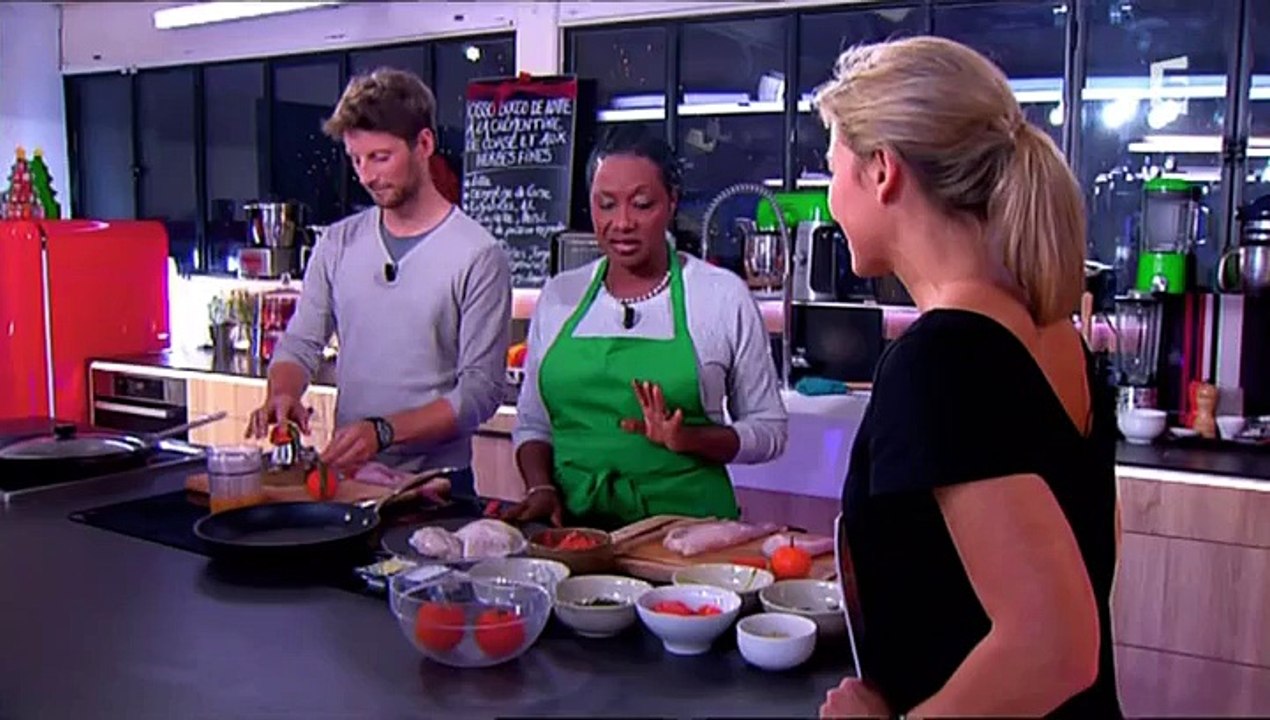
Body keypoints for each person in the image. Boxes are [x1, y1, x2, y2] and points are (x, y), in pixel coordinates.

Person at [815, 37, 1121, 718]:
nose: (831, 197)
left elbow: (1056, 648)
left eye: (833, 168)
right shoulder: (1056, 338)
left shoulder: (940, 360)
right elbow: (1088, 569)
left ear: (882, 171)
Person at [501, 127, 788, 530]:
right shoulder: (559, 296)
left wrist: (689, 439)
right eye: (606, 205)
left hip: (688, 537)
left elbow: (770, 431)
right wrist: (540, 489)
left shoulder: (721, 296)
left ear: (671, 202)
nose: (622, 222)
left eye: (641, 204)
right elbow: (533, 424)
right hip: (575, 533)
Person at [246, 67, 512, 498]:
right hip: (348, 478)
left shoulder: (477, 255)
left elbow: (480, 393)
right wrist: (283, 392)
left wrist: (384, 432)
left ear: (424, 144)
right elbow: (301, 344)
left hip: (437, 484)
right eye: (356, 159)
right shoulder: (337, 243)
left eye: (381, 157)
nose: (367, 175)